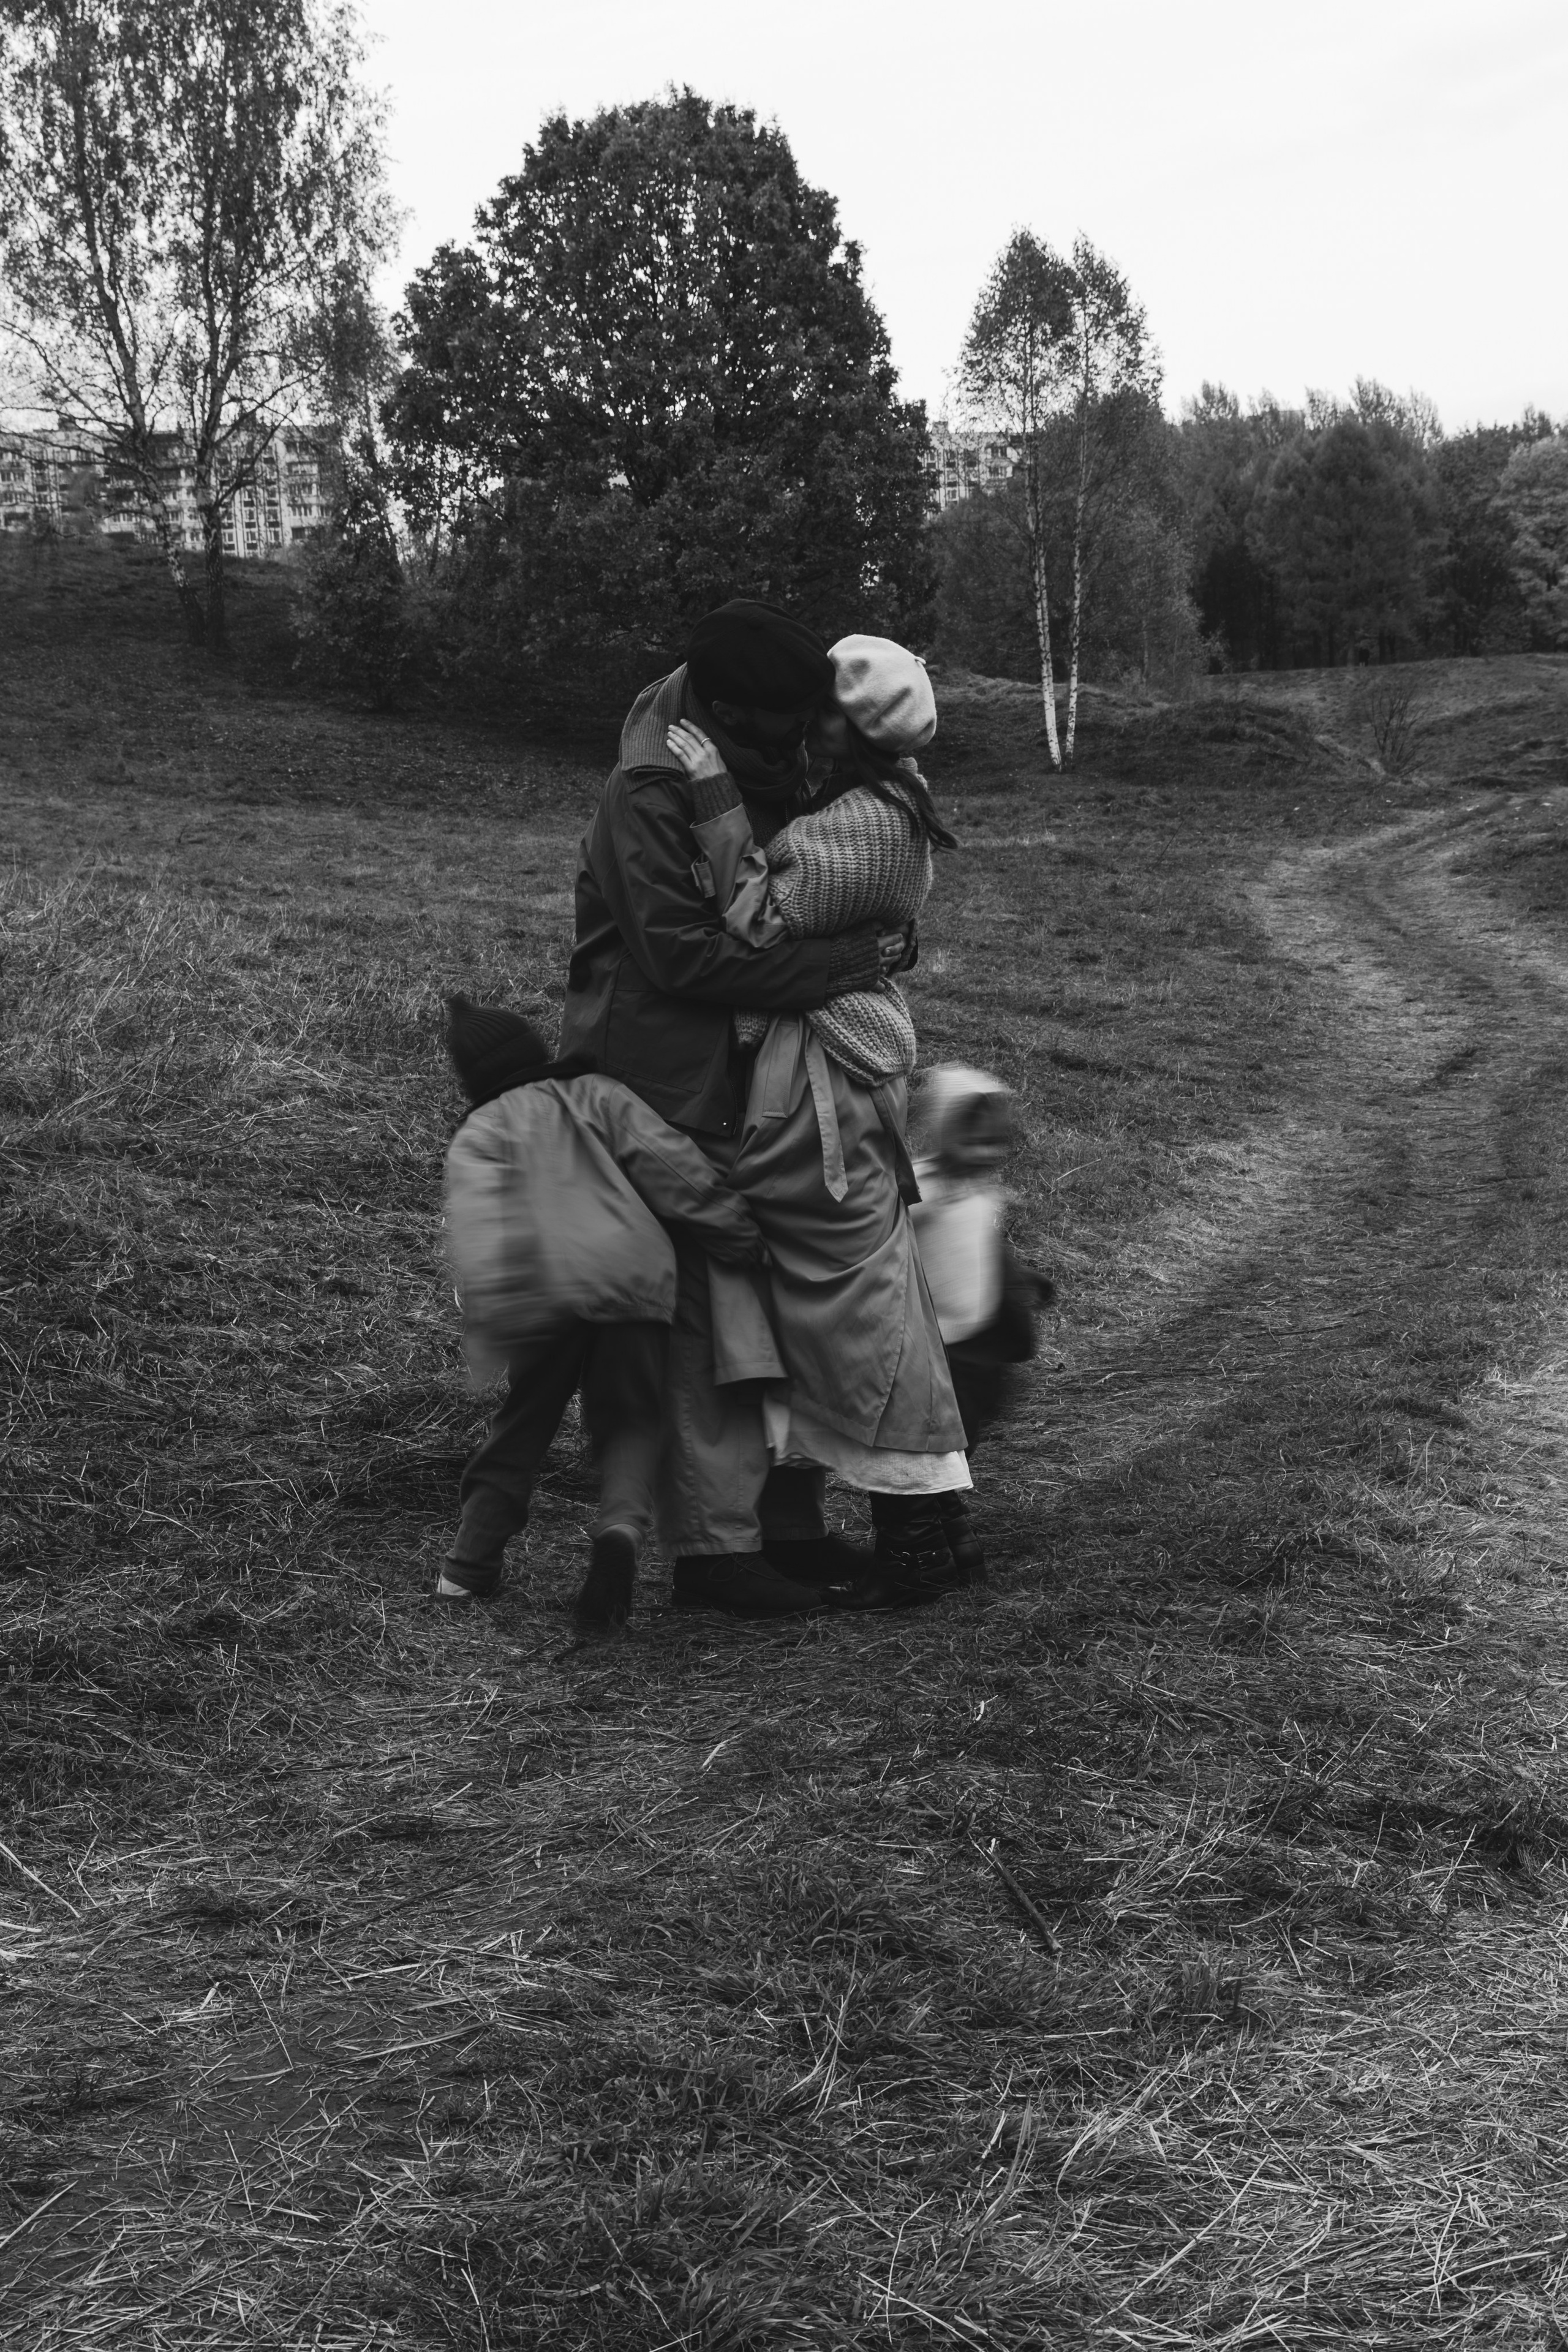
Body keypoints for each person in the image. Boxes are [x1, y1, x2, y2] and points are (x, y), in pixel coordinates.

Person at [557, 600, 913, 1619]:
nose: (809, 745)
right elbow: (683, 956)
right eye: (792, 726)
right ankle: (716, 1552)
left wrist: (879, 926)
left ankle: (786, 1528)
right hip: (668, 1085)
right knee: (710, 1326)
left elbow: (792, 892)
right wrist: (841, 966)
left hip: (758, 1080)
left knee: (788, 1306)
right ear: (739, 715)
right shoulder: (650, 791)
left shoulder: (741, 765)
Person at [665, 635, 978, 1610]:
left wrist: (715, 801)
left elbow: (756, 919)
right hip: (838, 1076)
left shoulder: (860, 825)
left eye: (819, 709)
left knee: (855, 1296)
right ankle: (900, 1526)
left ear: (849, 727)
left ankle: (918, 1533)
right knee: (853, 1289)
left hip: (825, 1080)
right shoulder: (885, 805)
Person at [437, 995, 769, 1633]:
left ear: (471, 1077)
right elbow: (674, 1167)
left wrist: (491, 1328)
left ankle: (468, 1566)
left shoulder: (477, 1135)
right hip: (632, 1283)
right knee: (630, 1423)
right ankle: (617, 1533)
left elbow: (478, 1238)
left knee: (521, 1425)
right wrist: (736, 1233)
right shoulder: (596, 1094)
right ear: (535, 1053)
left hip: (543, 1296)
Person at [910, 1065, 1055, 1579]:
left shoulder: (981, 1192)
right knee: (936, 1445)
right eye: (973, 1141)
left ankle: (947, 1516)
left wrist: (1024, 1278)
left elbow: (984, 1251)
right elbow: (889, 1238)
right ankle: (945, 1531)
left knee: (964, 1434)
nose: (987, 1154)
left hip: (980, 1345)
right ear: (947, 1132)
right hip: (937, 1346)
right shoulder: (922, 1186)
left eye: (995, 1143)